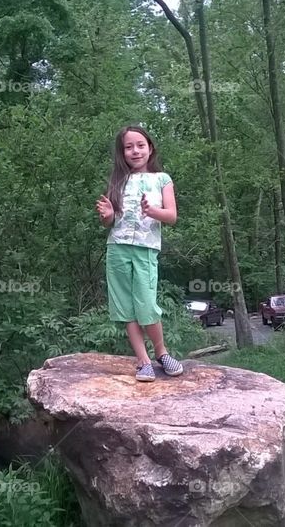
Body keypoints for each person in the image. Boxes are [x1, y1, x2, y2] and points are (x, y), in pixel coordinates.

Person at [95, 125, 183, 382]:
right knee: (126, 308)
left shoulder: (162, 179)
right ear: (122, 152)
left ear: (150, 148)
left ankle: (162, 353)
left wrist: (152, 211)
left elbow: (172, 216)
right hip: (117, 248)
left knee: (146, 304)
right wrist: (107, 216)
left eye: (140, 145)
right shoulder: (117, 181)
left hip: (146, 249)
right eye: (129, 147)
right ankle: (143, 362)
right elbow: (109, 222)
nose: (135, 151)